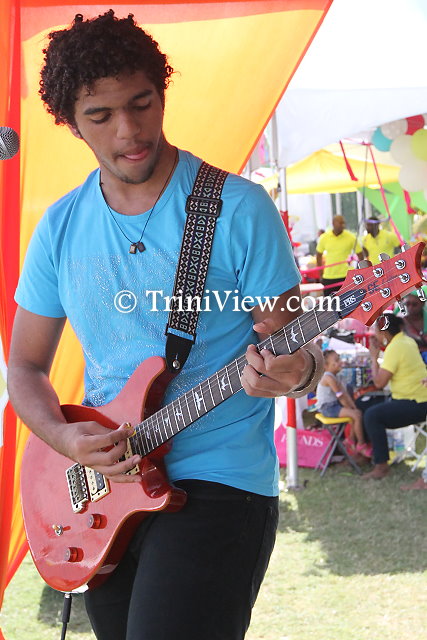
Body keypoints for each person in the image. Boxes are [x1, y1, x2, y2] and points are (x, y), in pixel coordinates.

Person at [6, 11, 323, 640]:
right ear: (70, 122)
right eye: (101, 115)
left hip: (219, 479)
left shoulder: (236, 209)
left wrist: (297, 372)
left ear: (161, 94)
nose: (129, 131)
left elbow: (294, 354)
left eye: (141, 103)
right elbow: (25, 365)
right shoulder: (59, 228)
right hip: (105, 488)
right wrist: (65, 440)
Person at [363, 314, 427, 480]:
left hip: (416, 403)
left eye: (377, 332)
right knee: (363, 404)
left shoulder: (396, 347)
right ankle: (364, 452)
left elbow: (379, 383)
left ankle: (381, 465)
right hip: (415, 398)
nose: (376, 336)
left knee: (372, 415)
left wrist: (373, 357)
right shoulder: (407, 341)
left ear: (383, 333)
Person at [316, 350, 372, 458]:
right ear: (326, 366)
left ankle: (350, 440)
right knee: (356, 415)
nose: (340, 362)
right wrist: (351, 409)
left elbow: (345, 394)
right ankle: (361, 445)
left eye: (339, 359)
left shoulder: (336, 376)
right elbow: (341, 397)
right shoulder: (328, 378)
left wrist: (353, 407)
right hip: (327, 408)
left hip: (334, 405)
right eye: (336, 360)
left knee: (356, 414)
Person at [316, 215, 363, 296]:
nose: (343, 225)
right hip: (328, 277)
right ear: (333, 223)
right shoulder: (324, 237)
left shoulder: (351, 237)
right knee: (329, 303)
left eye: (343, 223)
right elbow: (318, 255)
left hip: (347, 276)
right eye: (340, 223)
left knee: (348, 302)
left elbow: (360, 254)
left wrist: (360, 271)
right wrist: (320, 274)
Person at [400, 292, 427, 359]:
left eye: (414, 304)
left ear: (423, 303)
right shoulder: (401, 322)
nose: (410, 307)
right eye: (407, 304)